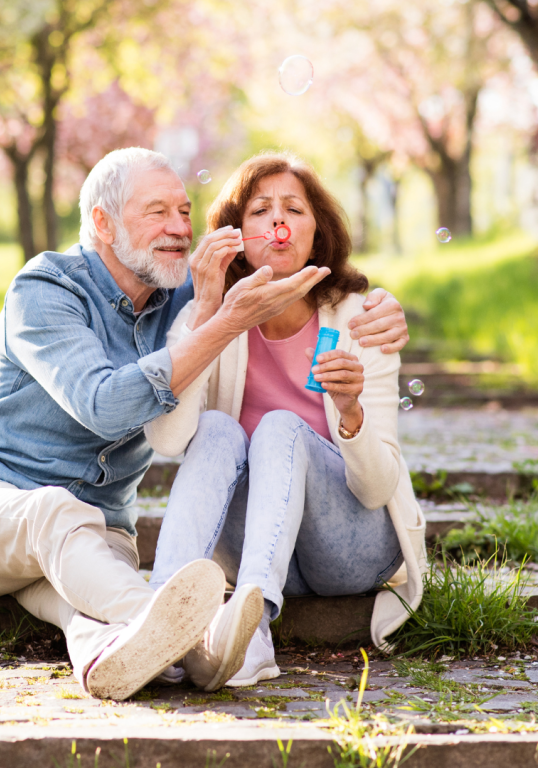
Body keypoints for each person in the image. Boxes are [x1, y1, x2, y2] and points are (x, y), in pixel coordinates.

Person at [0, 147, 410, 700]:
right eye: (158, 212)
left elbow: (257, 281)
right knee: (54, 514)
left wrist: (385, 306)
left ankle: (116, 660)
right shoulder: (47, 289)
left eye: (184, 211)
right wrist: (217, 320)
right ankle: (195, 633)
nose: (179, 228)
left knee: (80, 614)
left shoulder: (187, 294)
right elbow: (105, 406)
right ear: (102, 223)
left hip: (100, 533)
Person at [146, 152, 426, 687]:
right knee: (216, 429)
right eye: (260, 210)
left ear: (316, 233)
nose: (278, 222)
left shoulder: (361, 320)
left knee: (278, 427)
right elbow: (167, 437)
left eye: (294, 208)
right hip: (258, 545)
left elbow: (377, 488)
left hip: (349, 547)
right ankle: (164, 622)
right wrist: (207, 317)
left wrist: (351, 414)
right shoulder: (205, 318)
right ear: (234, 235)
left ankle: (251, 636)